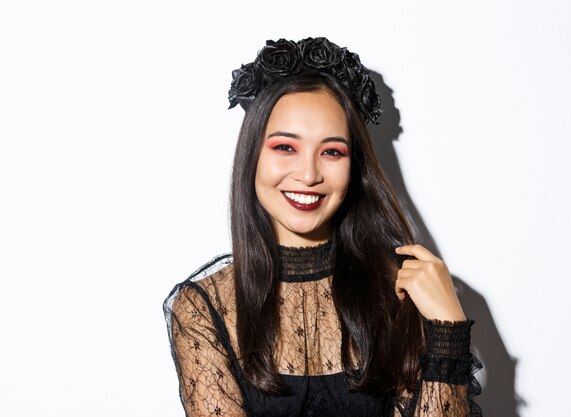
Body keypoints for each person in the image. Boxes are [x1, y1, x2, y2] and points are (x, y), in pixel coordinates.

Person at [163, 37, 483, 417]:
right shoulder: (204, 309)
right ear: (252, 156)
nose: (310, 174)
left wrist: (448, 328)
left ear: (354, 168)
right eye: (285, 147)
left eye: (331, 152)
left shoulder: (399, 290)